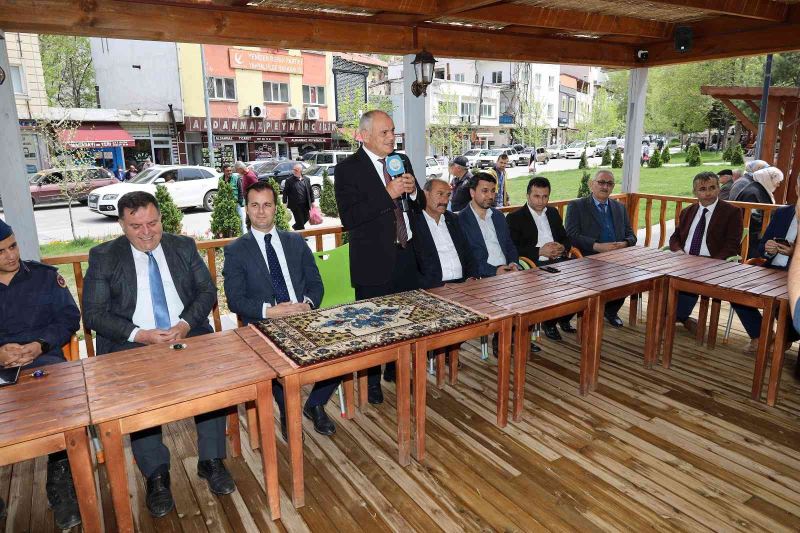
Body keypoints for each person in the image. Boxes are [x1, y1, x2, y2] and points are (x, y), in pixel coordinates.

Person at [82, 191, 231, 519]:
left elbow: (207, 291)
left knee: (213, 381)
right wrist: (141, 334)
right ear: (122, 225)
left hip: (185, 333)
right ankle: (157, 475)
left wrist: (185, 324)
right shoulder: (105, 257)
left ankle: (211, 460)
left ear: (161, 218)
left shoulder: (183, 246)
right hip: (132, 342)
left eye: (152, 223)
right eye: (136, 226)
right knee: (141, 399)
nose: (147, 232)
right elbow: (93, 314)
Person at [224, 181, 337, 437]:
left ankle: (315, 403)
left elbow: (316, 284)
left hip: (303, 317)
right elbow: (235, 300)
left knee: (343, 351)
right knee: (276, 365)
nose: (261, 211)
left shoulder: (295, 241)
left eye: (267, 205)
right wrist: (269, 311)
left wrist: (307, 305)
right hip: (263, 324)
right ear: (247, 209)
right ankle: (287, 410)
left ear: (276, 208)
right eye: (255, 205)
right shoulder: (236, 251)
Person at [334, 110, 422, 405]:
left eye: (393, 131)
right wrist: (388, 193)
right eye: (384, 132)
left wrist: (412, 192)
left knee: (405, 322)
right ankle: (372, 382)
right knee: (374, 327)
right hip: (373, 262)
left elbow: (418, 204)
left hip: (406, 254)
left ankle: (397, 370)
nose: (391, 137)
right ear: (364, 136)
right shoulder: (347, 169)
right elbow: (350, 218)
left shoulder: (402, 161)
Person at [0, 219, 82, 530]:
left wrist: (40, 344)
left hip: (43, 359)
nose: (11, 255)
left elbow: (69, 317)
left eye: (13, 246)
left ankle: (60, 479)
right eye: (1, 252)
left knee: (62, 404)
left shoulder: (44, 278)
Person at [667, 172, 743, 335]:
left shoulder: (731, 212)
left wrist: (709, 263)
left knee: (736, 290)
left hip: (714, 262)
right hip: (685, 259)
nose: (708, 193)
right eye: (702, 189)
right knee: (658, 279)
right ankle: (677, 316)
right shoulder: (687, 211)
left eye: (712, 188)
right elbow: (675, 237)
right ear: (695, 192)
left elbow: (732, 245)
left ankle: (676, 317)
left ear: (719, 189)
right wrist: (679, 252)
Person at [507, 176, 576, 341]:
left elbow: (566, 238)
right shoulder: (515, 218)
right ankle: (549, 323)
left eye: (545, 196)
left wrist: (562, 247)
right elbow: (513, 248)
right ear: (527, 195)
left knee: (580, 280)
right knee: (555, 283)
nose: (541, 201)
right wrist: (539, 251)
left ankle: (564, 317)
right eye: (536, 196)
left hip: (558, 260)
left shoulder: (552, 213)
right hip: (533, 264)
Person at [565, 170, 636, 327]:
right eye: (601, 182)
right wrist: (597, 246)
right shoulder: (577, 206)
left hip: (617, 258)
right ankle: (575, 317)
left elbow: (631, 235)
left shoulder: (619, 207)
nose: (605, 187)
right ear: (592, 184)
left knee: (631, 278)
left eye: (609, 183)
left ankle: (610, 311)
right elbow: (571, 235)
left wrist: (624, 244)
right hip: (588, 258)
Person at [731, 203, 800, 355]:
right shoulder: (783, 212)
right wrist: (768, 249)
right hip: (770, 270)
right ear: (796, 191)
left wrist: (794, 252)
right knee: (735, 289)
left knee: (785, 302)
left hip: (795, 275)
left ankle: (786, 337)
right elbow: (762, 247)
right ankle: (760, 335)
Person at [412, 178, 477, 289]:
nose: (445, 200)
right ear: (425, 194)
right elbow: (411, 267)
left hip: (464, 285)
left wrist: (471, 278)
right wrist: (439, 286)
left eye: (448, 195)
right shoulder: (413, 223)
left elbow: (468, 254)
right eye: (440, 194)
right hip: (433, 288)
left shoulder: (454, 219)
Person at [734, 166, 784, 258]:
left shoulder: (760, 189)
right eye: (777, 181)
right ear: (768, 179)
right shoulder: (753, 193)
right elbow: (754, 219)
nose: (778, 185)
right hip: (750, 239)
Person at [282, 163, 314, 231]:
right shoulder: (289, 180)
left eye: (296, 170)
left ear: (300, 171)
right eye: (294, 170)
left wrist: (313, 202)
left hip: (305, 204)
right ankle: (302, 234)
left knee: (306, 218)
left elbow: (310, 191)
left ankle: (296, 227)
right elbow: (285, 192)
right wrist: (284, 202)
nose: (294, 171)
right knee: (300, 221)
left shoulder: (306, 179)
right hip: (295, 205)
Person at [222, 164, 246, 232]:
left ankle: (243, 234)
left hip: (236, 203)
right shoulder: (221, 179)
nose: (229, 172)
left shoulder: (236, 178)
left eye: (230, 170)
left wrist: (240, 203)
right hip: (226, 204)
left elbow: (240, 191)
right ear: (224, 171)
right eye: (227, 171)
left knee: (240, 220)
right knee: (228, 222)